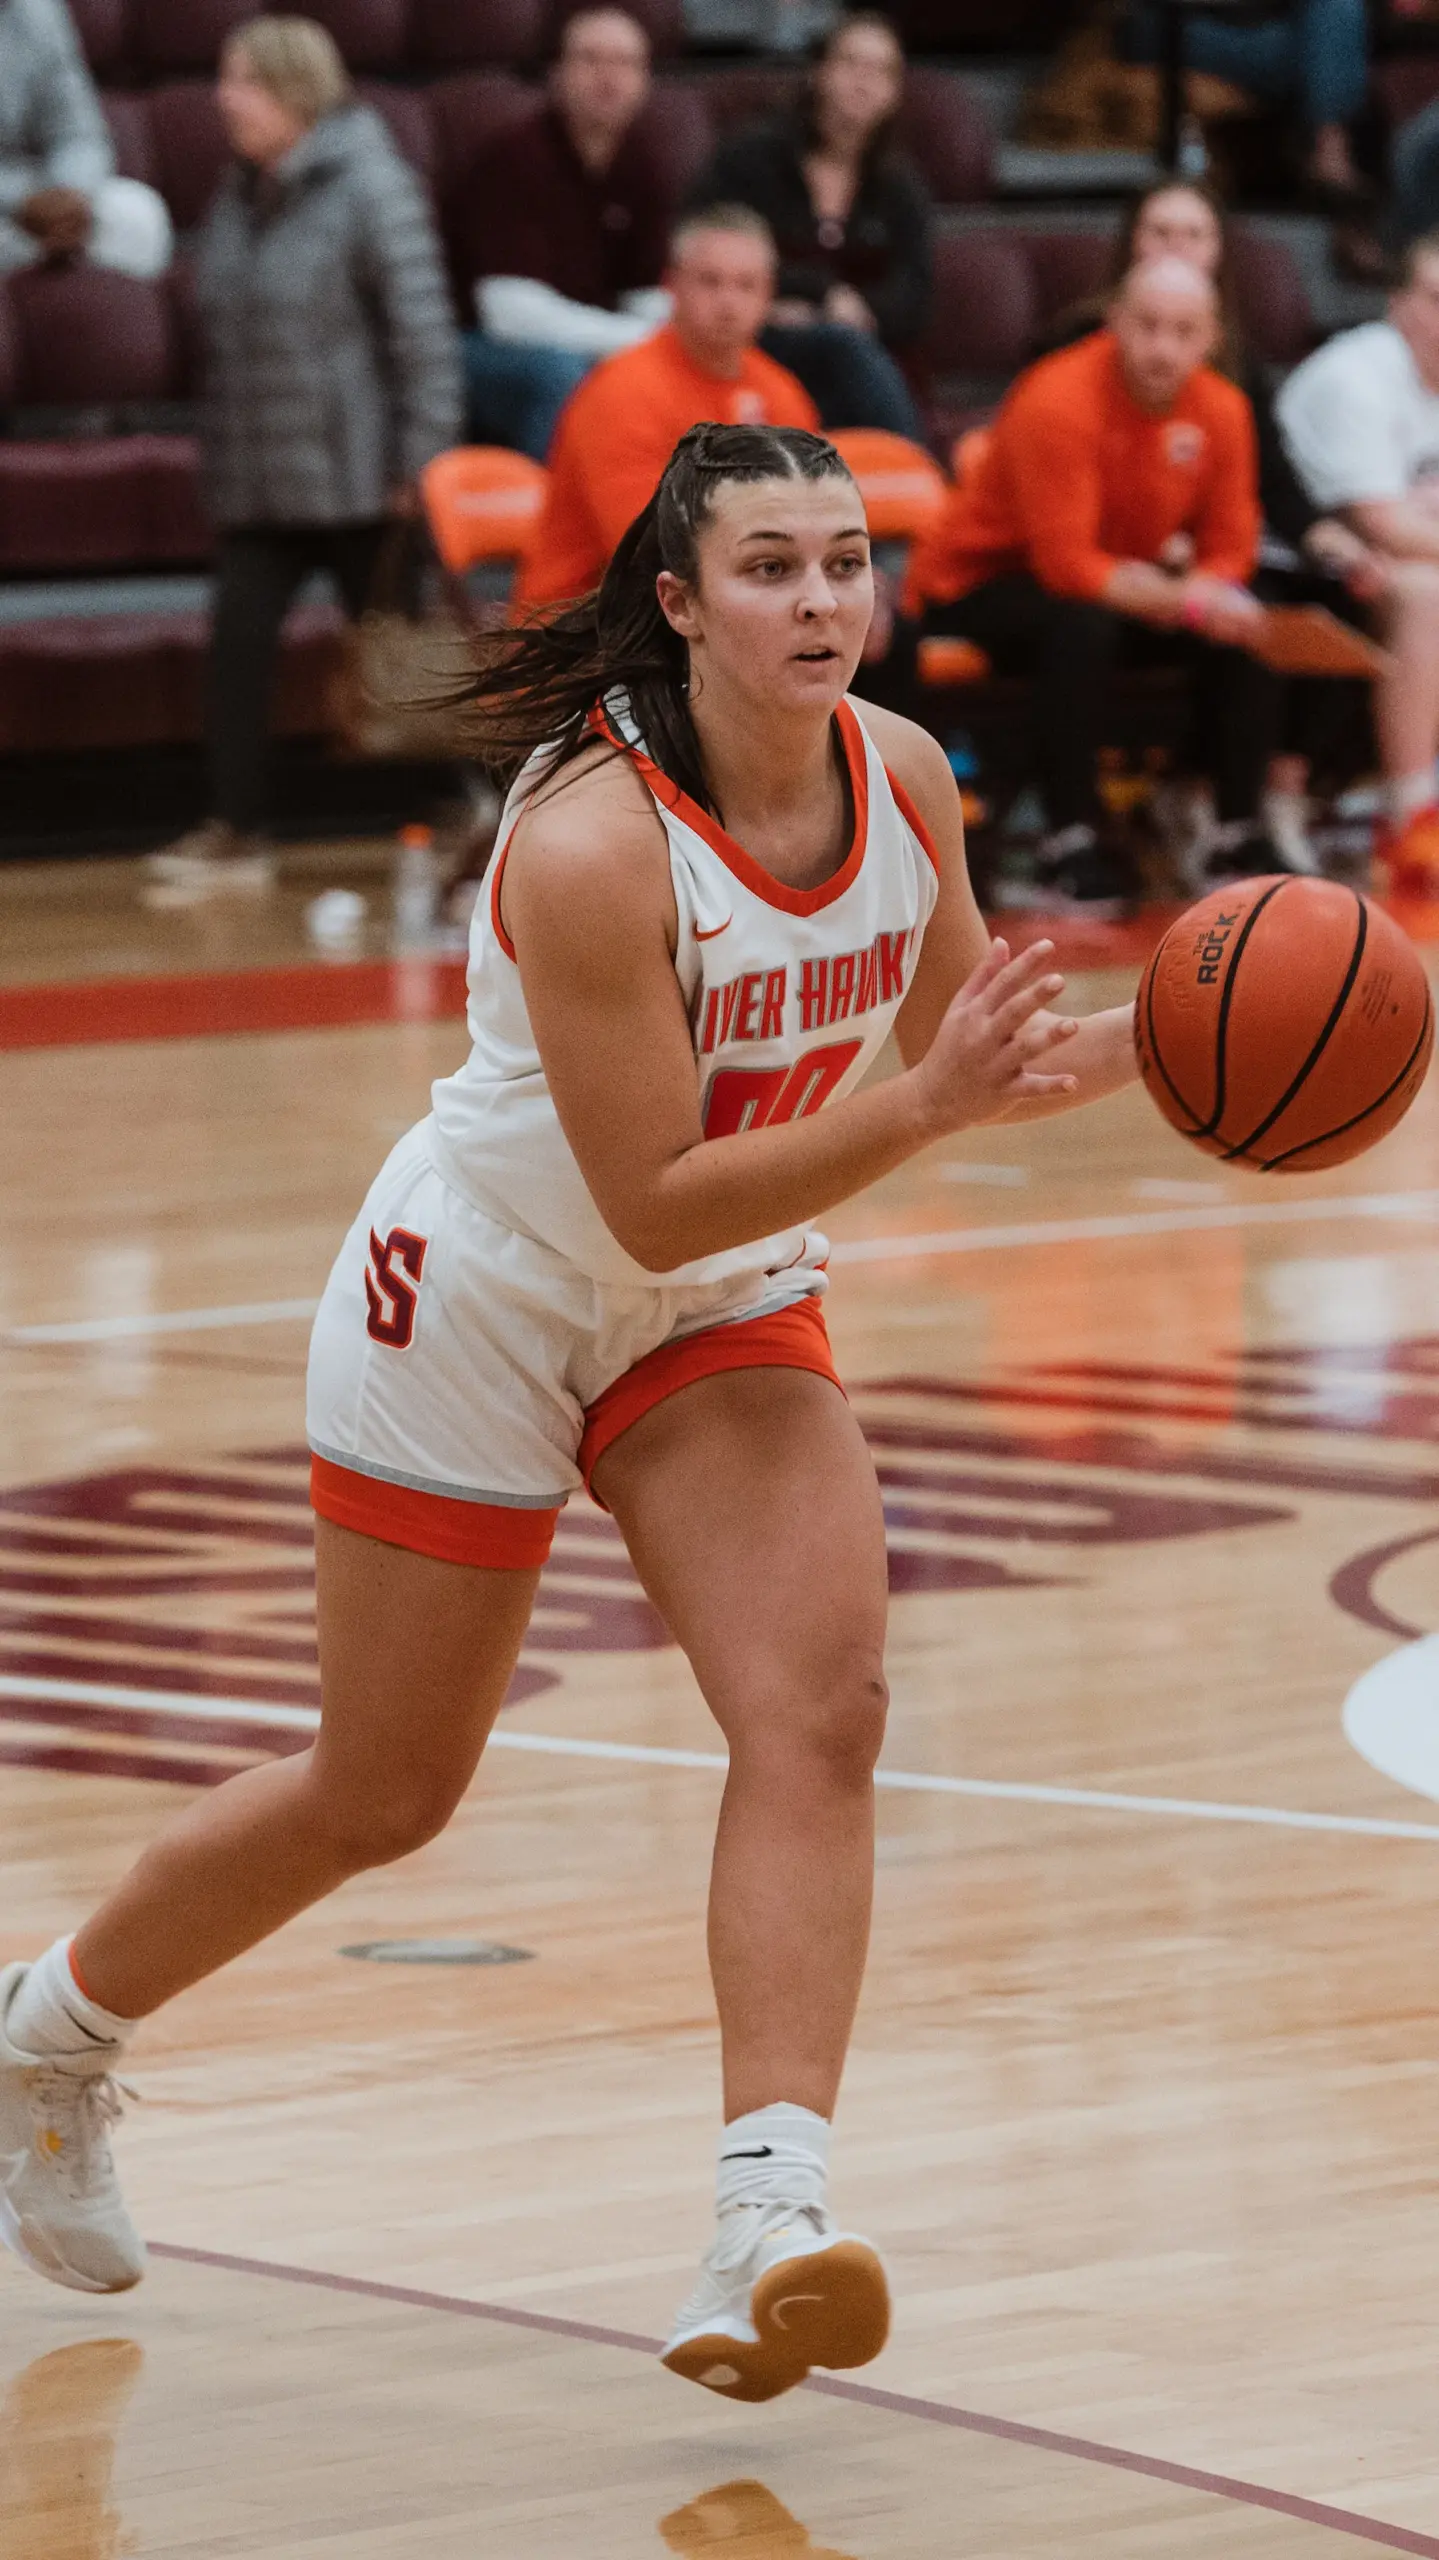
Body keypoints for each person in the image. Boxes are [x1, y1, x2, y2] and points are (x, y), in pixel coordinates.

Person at [0, 419, 1141, 2402]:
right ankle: (47, 2036)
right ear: (680, 603)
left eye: (845, 561)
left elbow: (986, 1055)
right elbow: (651, 1190)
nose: (818, 600)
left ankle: (760, 2216)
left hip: (706, 1302)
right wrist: (927, 1101)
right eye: (770, 567)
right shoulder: (588, 843)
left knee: (822, 1707)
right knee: (386, 1789)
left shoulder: (912, 781)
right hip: (484, 1293)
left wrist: (1233, 1034)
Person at [143, 16, 461, 902]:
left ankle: (461, 816)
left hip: (365, 481)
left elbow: (424, 337)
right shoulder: (237, 192)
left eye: (239, 80)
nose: (222, 98)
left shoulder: (373, 185)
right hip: (260, 481)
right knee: (235, 654)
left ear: (292, 90)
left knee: (401, 668)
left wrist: (420, 459)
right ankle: (235, 831)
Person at [901, 258, 1275, 910]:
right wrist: (1185, 599)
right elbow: (1064, 566)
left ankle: (1234, 830)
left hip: (1116, 582)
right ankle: (1067, 840)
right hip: (975, 582)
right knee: (1079, 625)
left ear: (1210, 338)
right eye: (1148, 326)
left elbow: (1230, 550)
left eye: (1182, 331)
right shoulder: (1057, 396)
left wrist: (1211, 597)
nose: (1162, 347)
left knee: (1243, 630)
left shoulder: (1224, 410)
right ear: (1115, 323)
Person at [1039, 178, 1385, 878]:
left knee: (1270, 607)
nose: (1177, 247)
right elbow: (1064, 552)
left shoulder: (1226, 391)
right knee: (1084, 622)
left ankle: (1248, 812)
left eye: (1192, 233)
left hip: (1172, 573)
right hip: (1071, 571)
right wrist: (1180, 583)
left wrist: (1302, 545)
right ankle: (1074, 836)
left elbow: (1247, 517)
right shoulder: (1068, 368)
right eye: (1160, 231)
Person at [514, 207, 817, 614]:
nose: (728, 302)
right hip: (586, 634)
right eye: (710, 282)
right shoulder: (620, 392)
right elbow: (647, 555)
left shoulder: (782, 393)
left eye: (747, 285)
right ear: (671, 286)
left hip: (725, 621)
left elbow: (812, 524)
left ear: (769, 295)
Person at [1277, 232, 1439, 895]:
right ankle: (1411, 813)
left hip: (1383, 564)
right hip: (1300, 568)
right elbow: (1379, 524)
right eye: (1435, 297)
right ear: (1396, 302)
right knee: (1424, 591)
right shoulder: (1356, 375)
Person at [686, 11, 928, 438]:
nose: (863, 80)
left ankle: (904, 485)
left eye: (880, 71)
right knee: (842, 346)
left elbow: (914, 294)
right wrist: (822, 295)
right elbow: (711, 245)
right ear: (820, 72)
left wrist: (858, 309)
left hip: (866, 354)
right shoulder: (754, 158)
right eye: (851, 63)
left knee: (854, 351)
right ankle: (914, 475)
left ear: (895, 92)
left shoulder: (900, 185)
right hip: (764, 340)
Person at [459, 7, 676, 464]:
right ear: (557, 73)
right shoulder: (513, 157)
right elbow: (509, 313)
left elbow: (649, 291)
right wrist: (636, 343)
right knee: (559, 374)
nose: (609, 76)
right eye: (591, 59)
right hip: (476, 345)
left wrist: (657, 345)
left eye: (625, 63)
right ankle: (551, 530)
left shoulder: (643, 162)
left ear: (646, 80)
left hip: (591, 336)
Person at [1123, 0, 1370, 208]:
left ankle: (1327, 144)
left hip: (1259, 28)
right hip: (1171, 23)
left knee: (1336, 12)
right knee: (1316, 53)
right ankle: (1324, 144)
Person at [0, 0, 171, 279]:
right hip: (16, 200)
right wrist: (24, 201)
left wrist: (69, 196)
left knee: (139, 219)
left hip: (42, 204)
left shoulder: (37, 10)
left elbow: (79, 132)